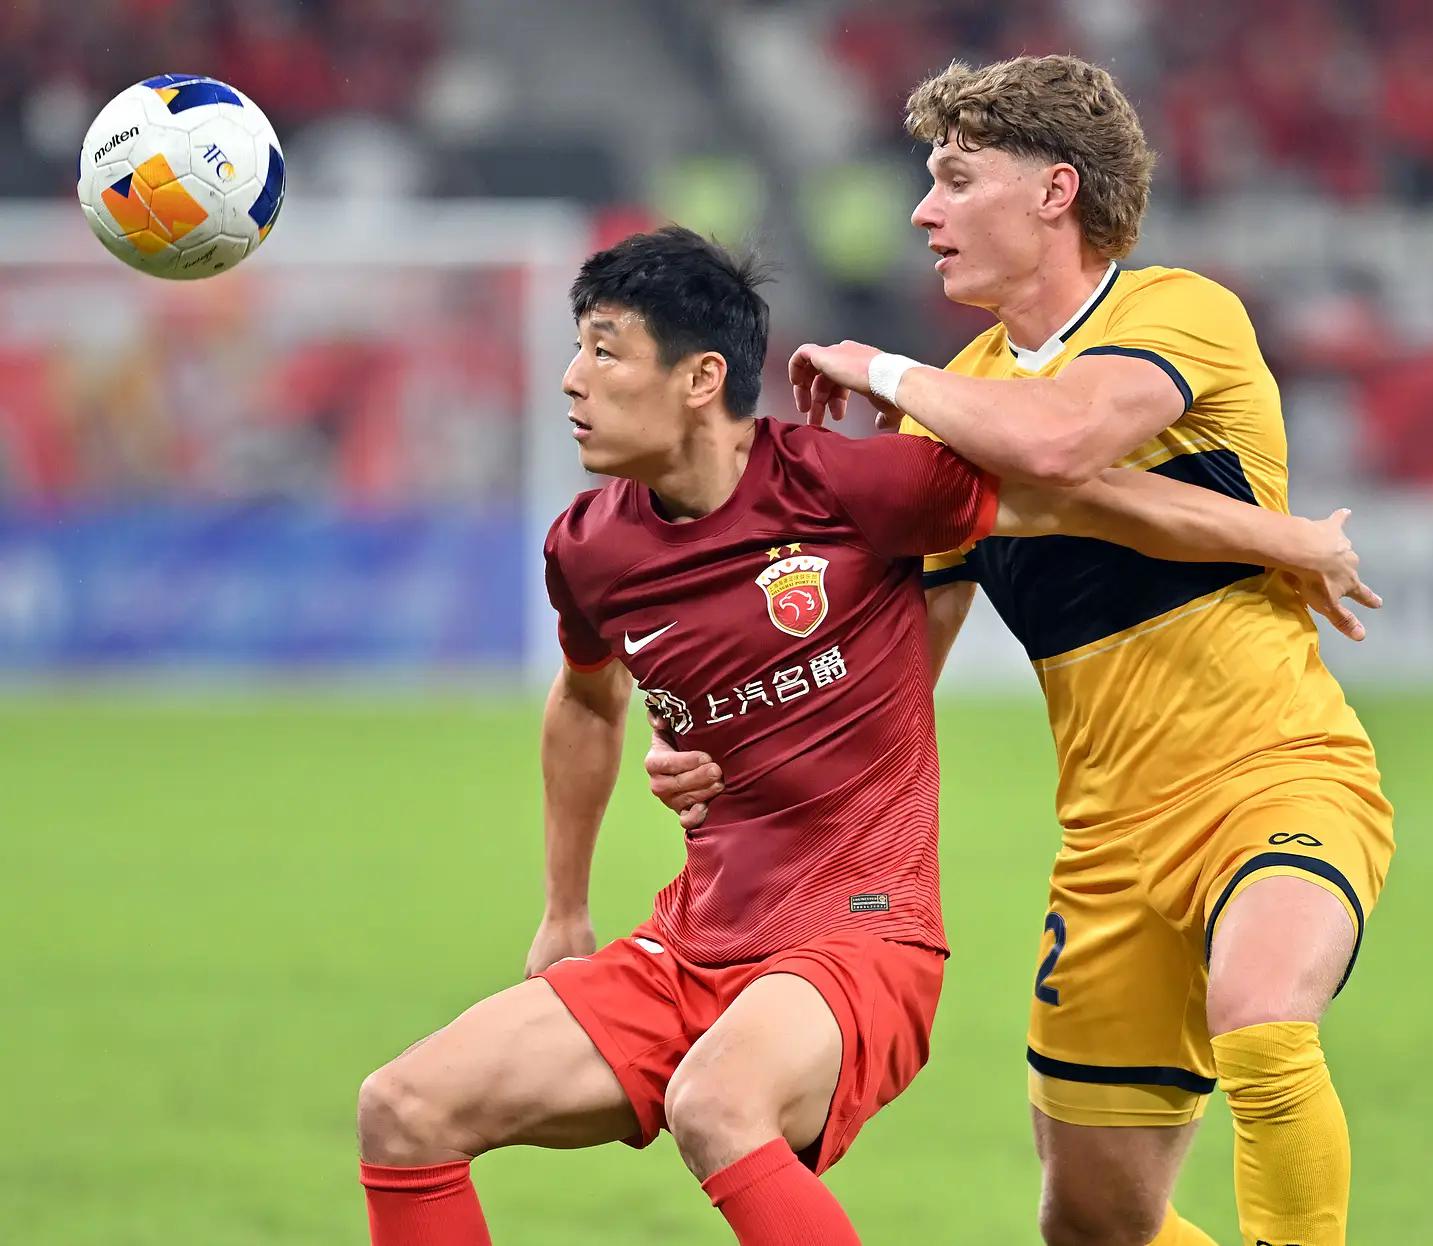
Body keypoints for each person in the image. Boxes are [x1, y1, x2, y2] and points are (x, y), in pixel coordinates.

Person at [355, 226, 1373, 1246]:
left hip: (860, 936)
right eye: (577, 348)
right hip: (698, 938)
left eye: (604, 350)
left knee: (716, 1105)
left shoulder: (848, 485)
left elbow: (1078, 498)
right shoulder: (588, 548)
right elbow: (587, 700)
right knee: (401, 1111)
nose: (570, 380)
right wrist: (565, 908)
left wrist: (1287, 539)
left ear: (701, 378)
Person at [649, 56, 1395, 1246]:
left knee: (1261, 1013)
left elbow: (1061, 440)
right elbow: (899, 662)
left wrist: (878, 368)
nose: (920, 211)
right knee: (1094, 1222)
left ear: (1054, 191)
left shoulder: (1174, 312)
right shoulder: (952, 403)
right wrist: (732, 749)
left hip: (1273, 773)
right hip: (1107, 841)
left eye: (954, 179)